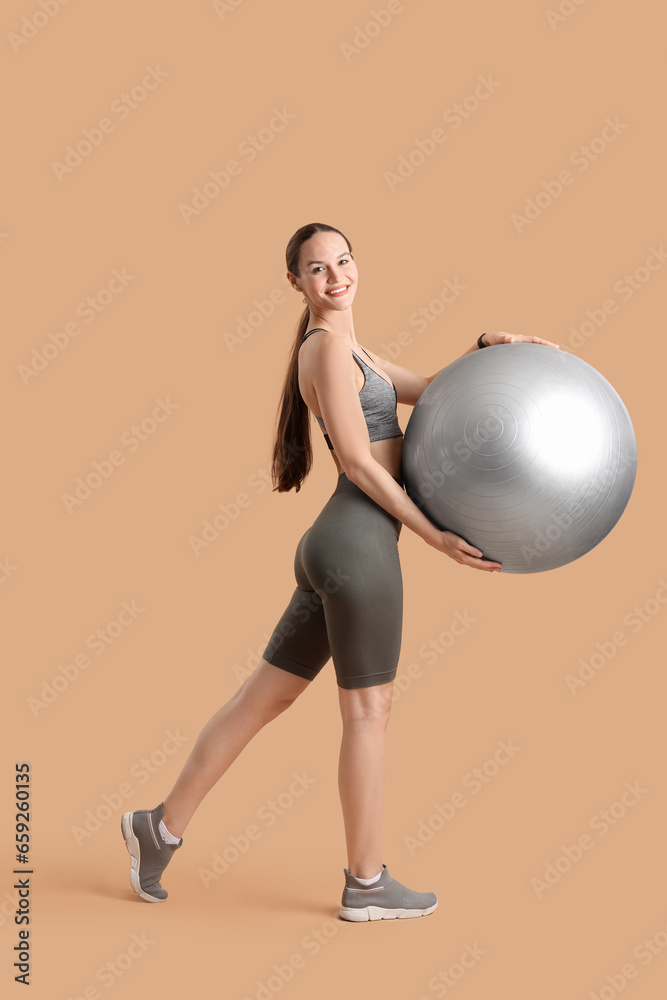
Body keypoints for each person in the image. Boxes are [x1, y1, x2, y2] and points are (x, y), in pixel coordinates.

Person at [121, 222, 560, 920]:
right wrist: (434, 535)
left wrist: (492, 353)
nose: (335, 276)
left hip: (338, 545)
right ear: (295, 283)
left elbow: (432, 391)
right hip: (356, 548)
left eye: (343, 261)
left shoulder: (350, 350)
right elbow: (358, 463)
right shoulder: (325, 351)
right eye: (317, 268)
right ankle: (365, 883)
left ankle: (160, 826)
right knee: (368, 713)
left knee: (261, 700)